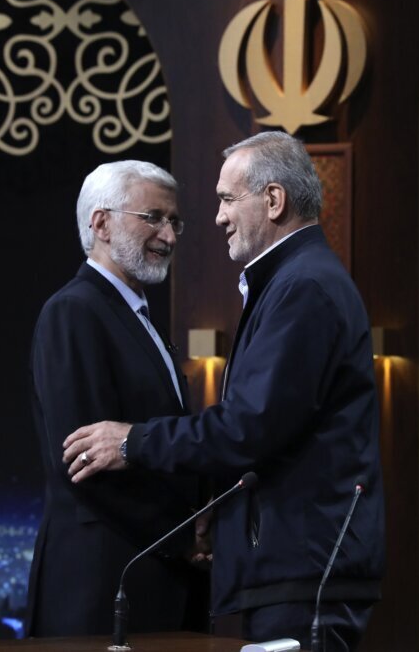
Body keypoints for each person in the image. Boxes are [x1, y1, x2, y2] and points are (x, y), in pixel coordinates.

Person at [62, 132, 385, 651]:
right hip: (297, 565)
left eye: (228, 199)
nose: (217, 217)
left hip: (305, 569)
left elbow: (248, 426)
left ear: (274, 200)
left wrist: (131, 442)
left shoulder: (302, 288)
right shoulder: (294, 282)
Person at [24, 160, 206, 637]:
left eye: (174, 221)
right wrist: (181, 535)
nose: (169, 236)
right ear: (101, 224)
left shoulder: (136, 317)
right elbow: (83, 460)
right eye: (153, 217)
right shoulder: (74, 311)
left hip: (151, 579)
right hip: (99, 587)